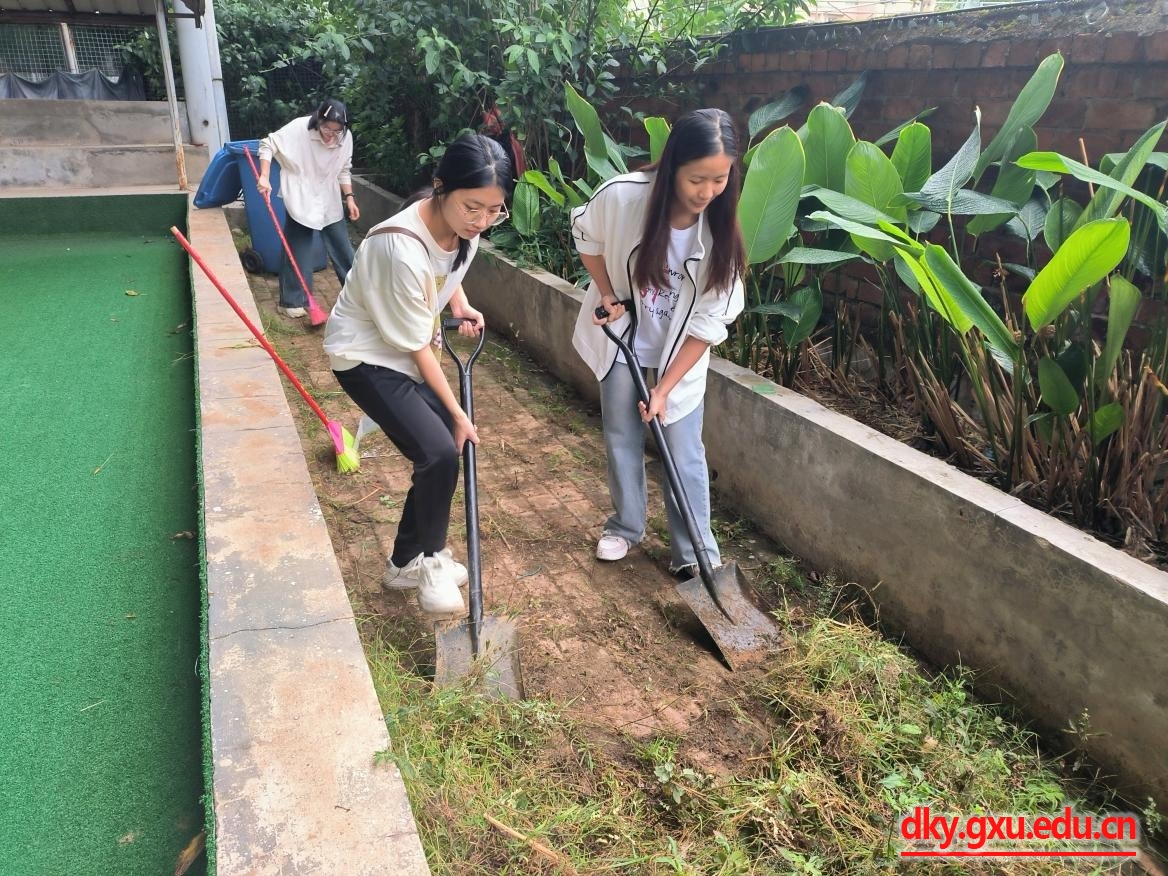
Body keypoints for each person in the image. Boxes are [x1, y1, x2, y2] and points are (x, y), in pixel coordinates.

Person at [323, 133, 513, 615]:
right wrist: (459, 414)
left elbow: (447, 270)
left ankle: (405, 562)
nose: (482, 221)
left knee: (443, 450)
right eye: (473, 207)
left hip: (406, 348)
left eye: (494, 210)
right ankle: (429, 560)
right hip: (366, 357)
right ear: (440, 187)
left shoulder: (462, 229)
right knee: (439, 450)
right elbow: (418, 350)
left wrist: (460, 303)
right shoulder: (397, 247)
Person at [570, 108, 746, 579]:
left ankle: (695, 553)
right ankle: (624, 527)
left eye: (719, 179)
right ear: (672, 167)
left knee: (683, 451)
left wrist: (664, 389)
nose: (707, 192)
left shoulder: (721, 235)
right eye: (696, 179)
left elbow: (707, 326)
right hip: (623, 337)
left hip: (679, 354)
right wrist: (606, 293)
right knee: (621, 434)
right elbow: (585, 234)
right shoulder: (623, 197)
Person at [256, 97, 359, 318]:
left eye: (336, 130)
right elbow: (268, 144)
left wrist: (349, 197)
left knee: (343, 248)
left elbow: (344, 169)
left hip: (329, 197)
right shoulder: (299, 128)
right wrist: (264, 176)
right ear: (318, 120)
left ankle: (359, 297)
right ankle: (292, 301)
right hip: (300, 194)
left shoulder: (345, 137)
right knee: (298, 248)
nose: (330, 134)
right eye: (326, 128)